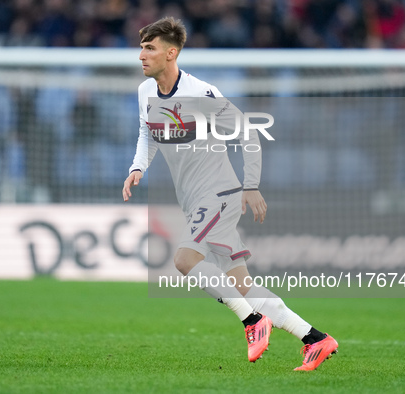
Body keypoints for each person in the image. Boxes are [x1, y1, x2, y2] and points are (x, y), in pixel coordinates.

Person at [122, 16, 338, 371]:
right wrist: (137, 168)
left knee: (184, 260)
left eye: (150, 48)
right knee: (242, 285)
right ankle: (315, 339)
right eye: (141, 47)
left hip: (219, 194)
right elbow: (147, 134)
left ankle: (252, 322)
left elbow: (247, 133)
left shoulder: (200, 94)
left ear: (171, 53)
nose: (141, 55)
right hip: (193, 200)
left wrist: (250, 185)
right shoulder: (146, 93)